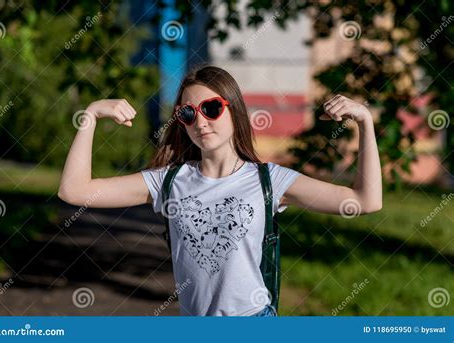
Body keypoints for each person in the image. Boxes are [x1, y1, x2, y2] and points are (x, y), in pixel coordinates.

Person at [58, 64, 382, 317]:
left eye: (211, 108)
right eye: (187, 113)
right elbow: (74, 191)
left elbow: (365, 201)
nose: (200, 121)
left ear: (233, 109)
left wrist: (365, 121)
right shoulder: (167, 182)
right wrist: (90, 115)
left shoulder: (270, 181)